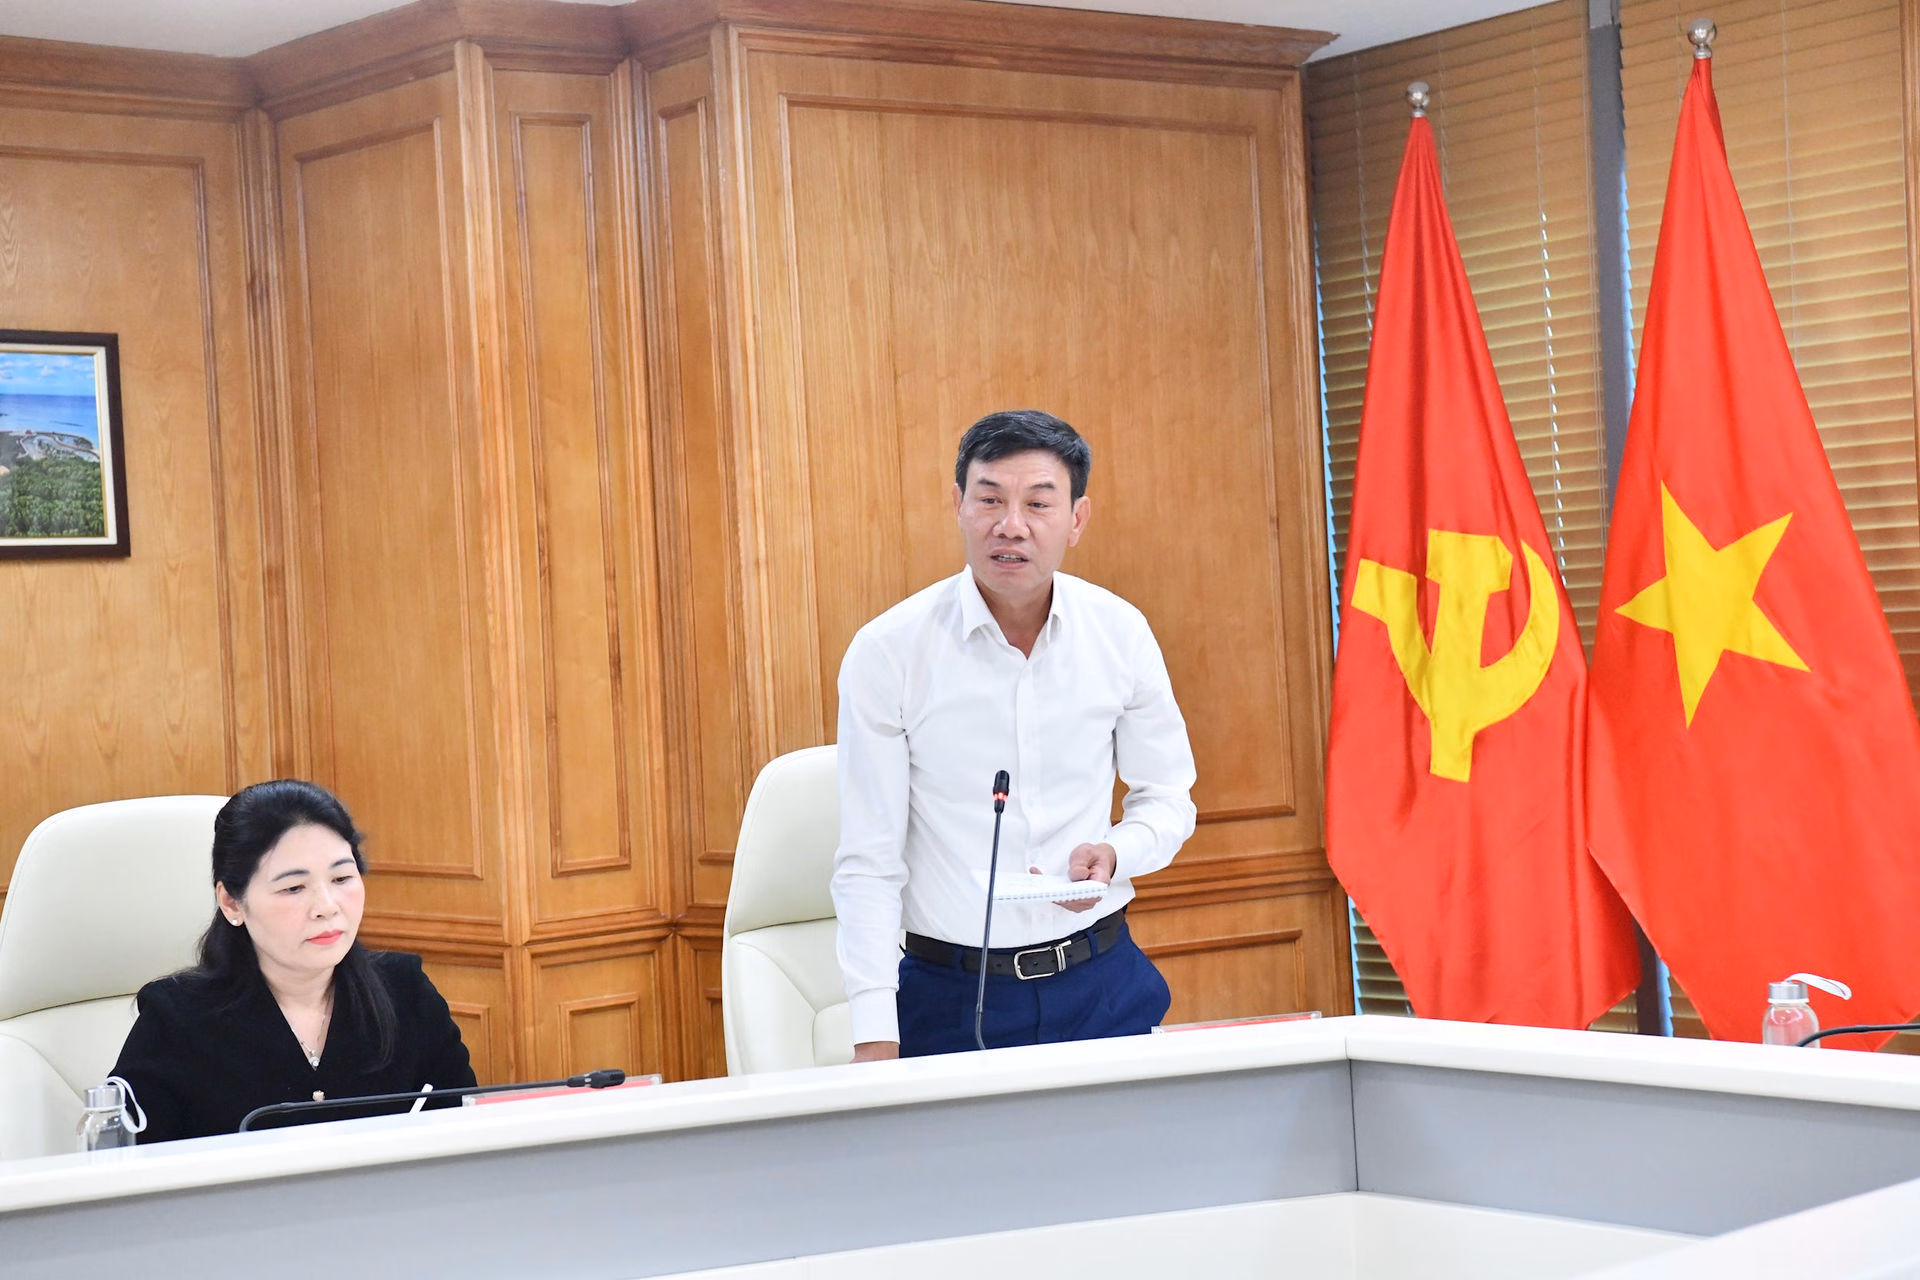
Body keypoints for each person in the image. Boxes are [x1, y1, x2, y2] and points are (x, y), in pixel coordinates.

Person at [832, 409, 1197, 1060]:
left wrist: (1116, 853)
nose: (1011, 525)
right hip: (952, 995)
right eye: (990, 499)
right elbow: (869, 858)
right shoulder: (889, 653)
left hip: (1101, 982)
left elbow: (1168, 799)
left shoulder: (1119, 633)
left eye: (1038, 503)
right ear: (958, 506)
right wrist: (874, 1033)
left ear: (1076, 519)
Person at [110, 779, 476, 1142]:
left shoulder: (406, 992)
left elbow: (466, 1137)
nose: (327, 907)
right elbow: (125, 1164)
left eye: (342, 878)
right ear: (232, 903)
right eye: (293, 888)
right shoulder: (175, 1019)